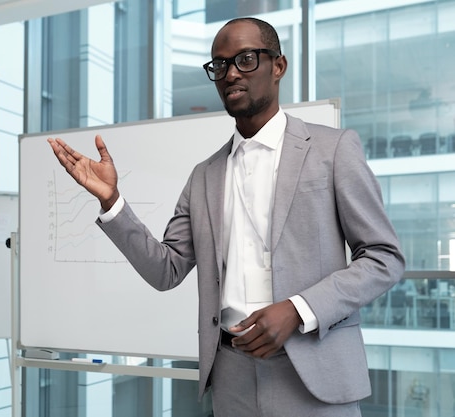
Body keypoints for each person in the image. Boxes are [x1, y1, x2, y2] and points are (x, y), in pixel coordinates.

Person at [48, 17, 405, 417]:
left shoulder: (333, 149)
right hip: (231, 378)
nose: (231, 72)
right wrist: (112, 201)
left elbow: (382, 258)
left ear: (278, 66)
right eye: (220, 65)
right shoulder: (204, 175)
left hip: (314, 373)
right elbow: (166, 271)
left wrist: (299, 309)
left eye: (246, 59)